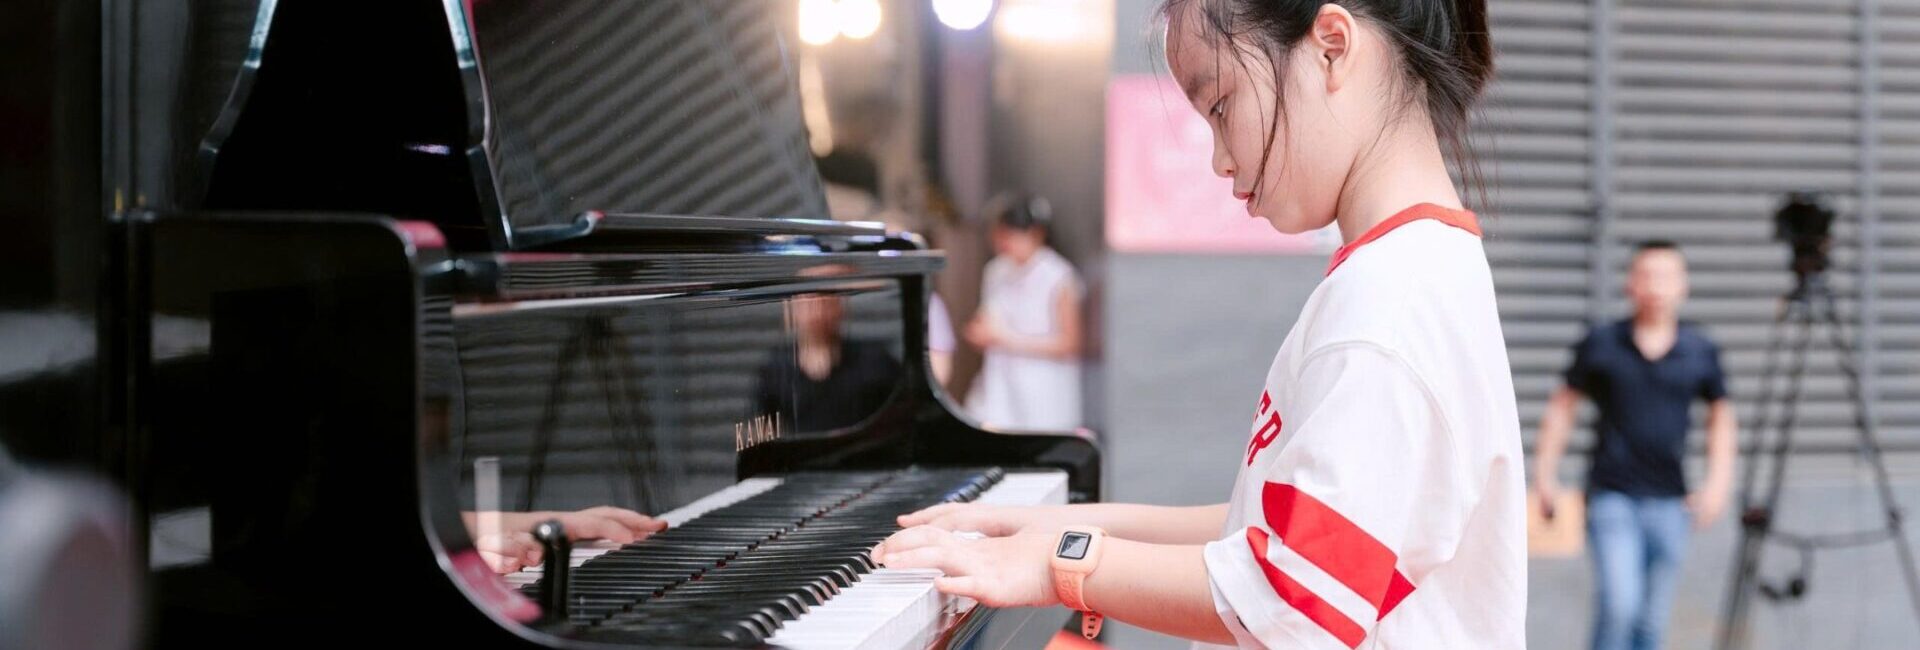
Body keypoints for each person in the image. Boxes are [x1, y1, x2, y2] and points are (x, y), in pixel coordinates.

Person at [871, 1, 1525, 648]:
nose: (1219, 160)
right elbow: (1262, 527)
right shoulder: (1408, 272)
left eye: (1220, 106)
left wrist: (1059, 562)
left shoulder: (1390, 300)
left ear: (1331, 47)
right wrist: (1042, 525)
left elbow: (1292, 599)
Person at [1533, 240, 1737, 650]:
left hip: (1672, 503)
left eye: (1666, 276)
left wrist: (1718, 485)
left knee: (1651, 620)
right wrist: (1544, 476)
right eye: (1647, 275)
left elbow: (1721, 416)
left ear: (1683, 285)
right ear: (1631, 284)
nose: (1656, 286)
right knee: (1619, 605)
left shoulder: (1699, 350)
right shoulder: (1603, 343)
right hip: (1612, 497)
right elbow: (1562, 407)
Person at [964, 195, 1085, 431]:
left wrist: (1007, 339)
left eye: (1009, 235)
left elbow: (1070, 343)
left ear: (1036, 234)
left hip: (1044, 392)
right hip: (1000, 385)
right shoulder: (996, 270)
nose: (1002, 243)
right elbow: (988, 318)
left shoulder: (1058, 275)